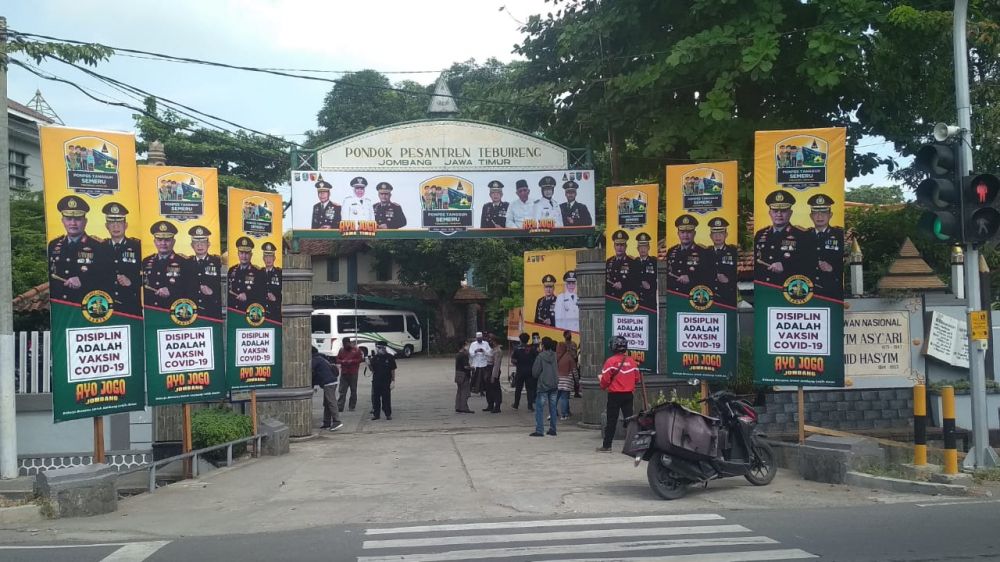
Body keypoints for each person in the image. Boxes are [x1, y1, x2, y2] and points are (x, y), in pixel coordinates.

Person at [49, 195, 107, 304]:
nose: (73, 223)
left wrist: (83, 281)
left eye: (77, 219)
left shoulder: (99, 246)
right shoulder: (53, 244)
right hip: (58, 303)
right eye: (68, 219)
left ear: (85, 221)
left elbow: (107, 276)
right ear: (62, 221)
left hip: (85, 304)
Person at [754, 190, 817, 286]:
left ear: (790, 213)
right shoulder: (760, 234)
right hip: (764, 289)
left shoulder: (802, 235)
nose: (779, 214)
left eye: (783, 211)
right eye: (775, 211)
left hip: (790, 288)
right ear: (770, 213)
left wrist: (785, 266)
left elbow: (811, 263)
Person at [597, 335, 641, 452]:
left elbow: (605, 380)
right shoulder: (632, 361)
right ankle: (632, 446)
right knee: (630, 421)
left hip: (614, 395)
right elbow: (637, 378)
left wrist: (603, 386)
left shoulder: (610, 361)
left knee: (611, 420)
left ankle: (607, 446)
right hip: (628, 395)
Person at [101, 202, 141, 317]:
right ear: (106, 226)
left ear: (126, 225)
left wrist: (132, 281)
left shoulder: (137, 247)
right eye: (112, 222)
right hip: (106, 306)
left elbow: (149, 275)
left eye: (119, 222)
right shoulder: (99, 247)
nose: (116, 226)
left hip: (130, 305)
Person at [143, 220, 191, 310]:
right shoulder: (146, 261)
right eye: (159, 240)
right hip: (150, 310)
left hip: (172, 310)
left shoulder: (184, 262)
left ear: (173, 241)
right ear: (154, 241)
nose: (163, 243)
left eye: (167, 240)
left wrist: (171, 291)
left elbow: (191, 287)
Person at [807, 194, 844, 301]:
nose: (819, 217)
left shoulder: (839, 235)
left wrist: (832, 268)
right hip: (809, 290)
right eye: (816, 213)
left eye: (823, 212)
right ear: (811, 216)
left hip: (832, 290)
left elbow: (848, 262)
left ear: (830, 215)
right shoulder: (803, 236)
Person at [665, 214, 706, 296]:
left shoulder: (703, 252)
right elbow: (667, 273)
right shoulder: (671, 251)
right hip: (673, 295)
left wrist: (691, 278)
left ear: (694, 233)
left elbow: (708, 275)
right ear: (678, 234)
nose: (685, 235)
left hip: (692, 295)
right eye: (682, 232)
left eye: (689, 232)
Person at [188, 225, 222, 320]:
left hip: (212, 311)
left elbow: (224, 286)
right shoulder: (186, 263)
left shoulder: (217, 262)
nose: (200, 245)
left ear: (208, 244)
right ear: (192, 245)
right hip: (192, 312)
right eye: (196, 242)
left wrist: (212, 293)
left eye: (203, 242)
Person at [530, 337, 559, 437]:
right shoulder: (555, 355)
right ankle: (553, 429)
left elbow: (535, 372)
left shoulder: (540, 356)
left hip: (543, 385)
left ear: (543, 345)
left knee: (539, 408)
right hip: (554, 384)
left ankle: (539, 430)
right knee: (553, 408)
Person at [707, 217, 738, 307]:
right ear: (710, 236)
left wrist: (728, 281)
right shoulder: (705, 253)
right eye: (715, 234)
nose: (717, 236)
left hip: (728, 297)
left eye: (721, 233)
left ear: (726, 234)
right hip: (709, 297)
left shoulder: (733, 252)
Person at [312, 346, 344, 431]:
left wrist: (312, 385)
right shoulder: (321, 358)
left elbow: (312, 374)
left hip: (328, 383)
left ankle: (337, 421)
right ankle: (327, 422)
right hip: (332, 381)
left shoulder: (315, 360)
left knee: (331, 401)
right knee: (327, 403)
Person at [227, 236, 260, 313]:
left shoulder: (257, 272)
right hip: (233, 311)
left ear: (251, 254)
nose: (244, 256)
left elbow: (261, 293)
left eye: (247, 253)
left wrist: (248, 296)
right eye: (241, 253)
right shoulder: (232, 270)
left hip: (249, 312)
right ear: (238, 254)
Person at [368, 341, 396, 420]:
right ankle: (376, 415)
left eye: (380, 348)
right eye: (378, 348)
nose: (378, 349)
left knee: (386, 398)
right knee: (376, 399)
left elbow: (393, 369)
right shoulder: (375, 358)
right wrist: (369, 363)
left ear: (384, 348)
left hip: (386, 381)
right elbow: (372, 370)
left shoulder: (390, 357)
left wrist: (393, 380)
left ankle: (388, 414)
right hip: (376, 381)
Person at [511, 333, 537, 411]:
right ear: (528, 339)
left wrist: (518, 363)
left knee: (518, 388)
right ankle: (530, 406)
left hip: (520, 371)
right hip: (530, 371)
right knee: (530, 389)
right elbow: (536, 359)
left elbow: (513, 360)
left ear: (520, 340)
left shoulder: (517, 349)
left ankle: (516, 404)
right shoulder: (532, 349)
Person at [336, 338, 363, 412]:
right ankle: (340, 406)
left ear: (349, 343)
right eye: (343, 344)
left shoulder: (356, 350)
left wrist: (352, 361)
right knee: (342, 391)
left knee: (353, 390)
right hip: (344, 373)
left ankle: (352, 406)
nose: (345, 345)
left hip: (353, 373)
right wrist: (343, 361)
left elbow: (360, 359)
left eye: (346, 344)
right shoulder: (341, 350)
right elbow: (337, 359)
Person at [605, 229, 634, 299]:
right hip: (610, 298)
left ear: (626, 246)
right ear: (614, 246)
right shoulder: (609, 261)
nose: (619, 247)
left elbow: (636, 280)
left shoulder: (632, 262)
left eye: (622, 245)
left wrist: (623, 284)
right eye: (617, 245)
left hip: (625, 298)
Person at [634, 232, 657, 310]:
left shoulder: (654, 262)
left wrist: (650, 287)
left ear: (648, 247)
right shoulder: (633, 263)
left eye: (645, 246)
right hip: (636, 300)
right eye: (640, 247)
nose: (642, 249)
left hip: (650, 300)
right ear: (637, 248)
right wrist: (641, 282)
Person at [556, 336, 577, 420]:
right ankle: (564, 414)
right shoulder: (569, 357)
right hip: (566, 381)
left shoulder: (555, 357)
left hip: (557, 380)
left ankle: (553, 412)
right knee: (564, 398)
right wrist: (577, 381)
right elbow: (574, 370)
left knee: (556, 398)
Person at [261, 242, 282, 322]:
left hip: (275, 313)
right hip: (261, 313)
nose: (268, 259)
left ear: (274, 258)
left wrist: (275, 299)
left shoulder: (279, 273)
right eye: (266, 256)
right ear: (263, 258)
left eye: (270, 256)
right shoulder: (259, 273)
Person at [468, 331, 491, 396]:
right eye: (478, 339)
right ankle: (470, 390)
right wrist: (476, 351)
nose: (479, 340)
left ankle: (482, 391)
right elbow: (471, 353)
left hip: (484, 363)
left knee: (483, 378)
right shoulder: (473, 344)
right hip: (476, 364)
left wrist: (484, 351)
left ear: (482, 338)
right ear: (476, 338)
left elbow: (489, 352)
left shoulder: (486, 343)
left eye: (480, 338)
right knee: (474, 378)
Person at [485, 336, 504, 413]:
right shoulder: (493, 350)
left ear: (495, 341)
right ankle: (490, 404)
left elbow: (496, 364)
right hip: (488, 368)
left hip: (493, 370)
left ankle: (497, 406)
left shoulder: (498, 351)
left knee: (495, 388)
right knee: (489, 388)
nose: (490, 342)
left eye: (491, 341)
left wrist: (493, 376)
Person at [454, 342, 474, 414]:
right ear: (463, 346)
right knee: (465, 392)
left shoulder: (458, 355)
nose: (468, 346)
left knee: (459, 391)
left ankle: (458, 406)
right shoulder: (463, 355)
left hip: (458, 374)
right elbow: (465, 366)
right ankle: (464, 407)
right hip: (464, 374)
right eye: (467, 345)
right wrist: (472, 368)